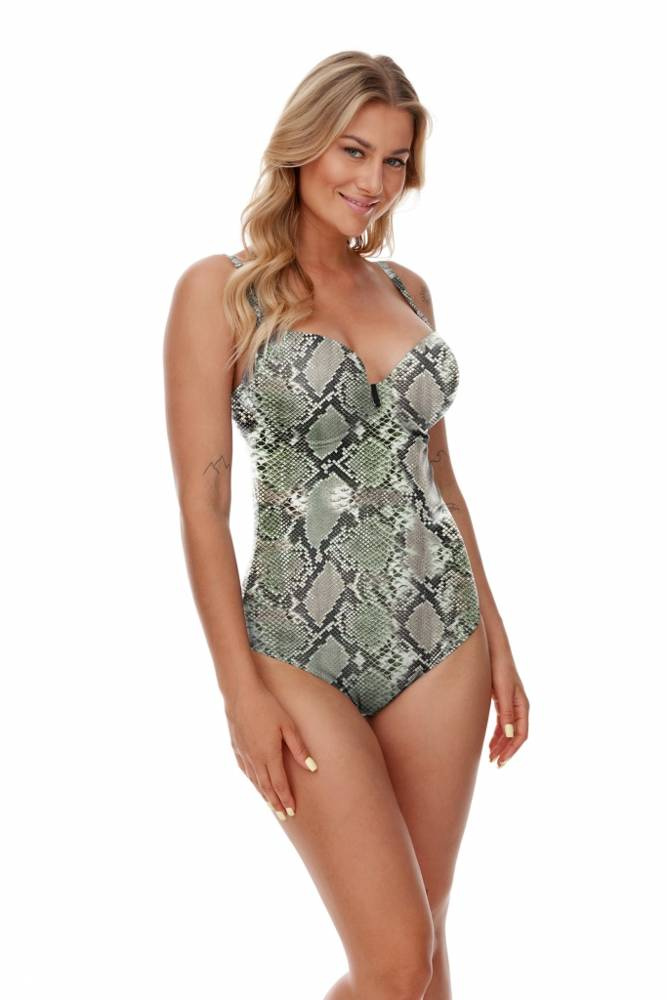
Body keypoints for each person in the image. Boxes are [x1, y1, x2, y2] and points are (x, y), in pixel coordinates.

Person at [164, 50, 529, 1000]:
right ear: (303, 146)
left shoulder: (408, 291)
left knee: (423, 956)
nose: (373, 181)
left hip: (439, 636)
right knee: (395, 962)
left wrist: (496, 642)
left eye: (395, 160)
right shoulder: (220, 291)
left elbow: (441, 482)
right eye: (353, 151)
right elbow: (202, 508)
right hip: (293, 647)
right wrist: (239, 693)